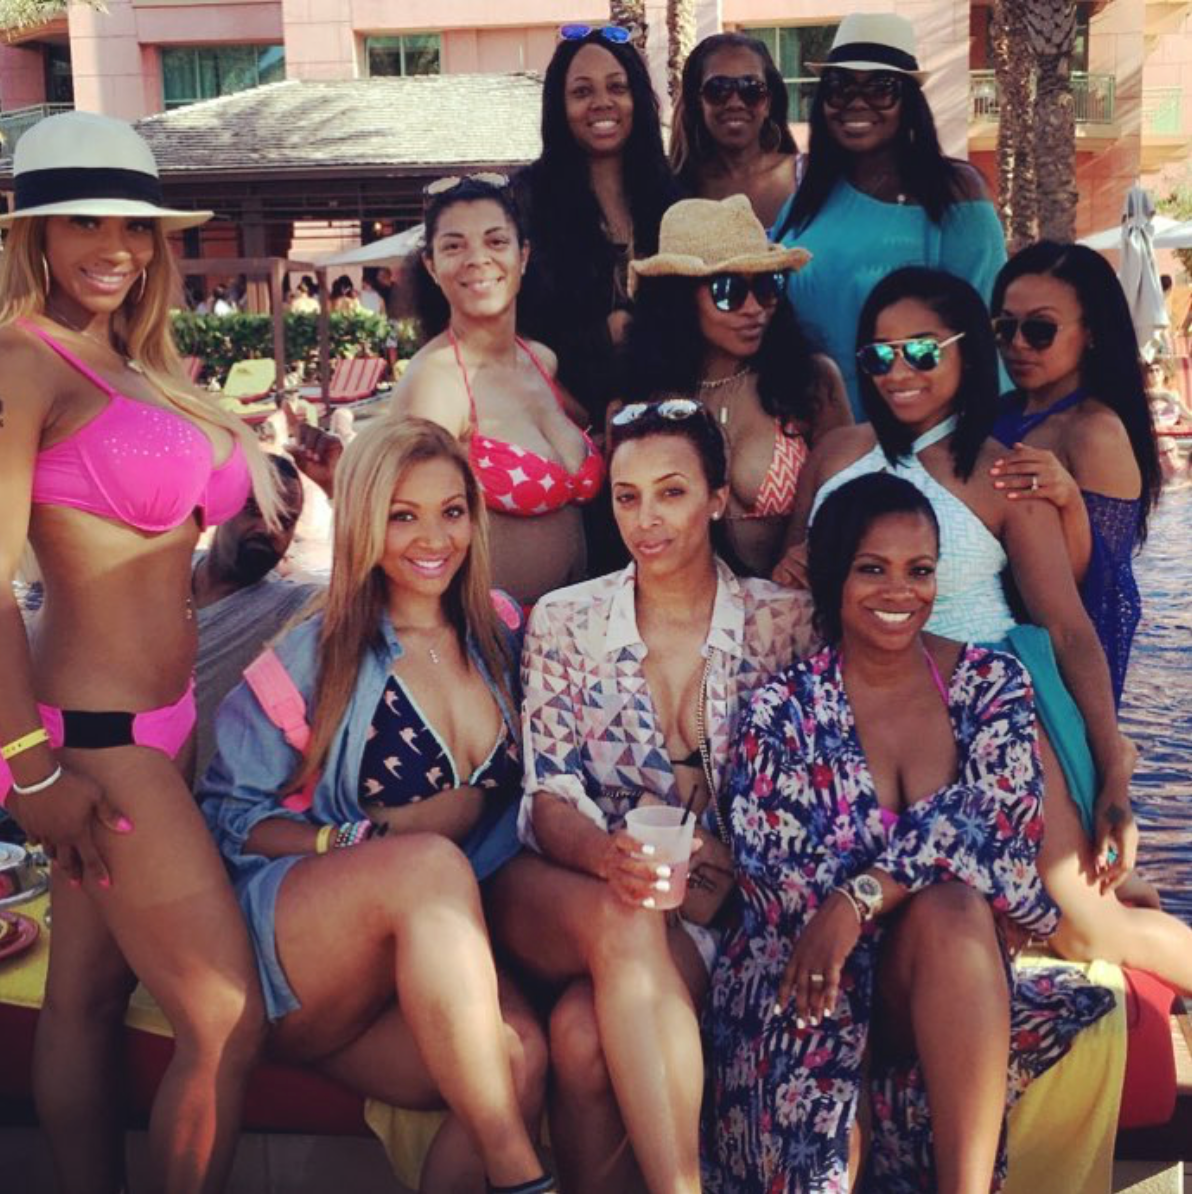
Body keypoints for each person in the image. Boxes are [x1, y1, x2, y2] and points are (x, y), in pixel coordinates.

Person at [0, 111, 285, 1193]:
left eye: (133, 225)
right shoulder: (19, 364)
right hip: (93, 742)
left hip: (166, 724)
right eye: (83, 222)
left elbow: (155, 557)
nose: (114, 246)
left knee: (82, 998)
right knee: (223, 1018)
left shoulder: (132, 363)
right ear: (33, 232)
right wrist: (28, 770)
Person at [778, 266, 1192, 995]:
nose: (898, 372)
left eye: (922, 351)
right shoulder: (836, 454)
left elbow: (1067, 628)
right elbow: (789, 575)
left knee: (1085, 927)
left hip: (987, 713)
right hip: (856, 711)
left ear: (966, 352)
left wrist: (1111, 770)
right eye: (879, 355)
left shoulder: (1004, 474)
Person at [706, 472, 1114, 1193]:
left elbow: (1001, 822)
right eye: (873, 569)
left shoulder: (990, 684)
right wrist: (899, 882)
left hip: (944, 974)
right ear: (834, 575)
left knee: (952, 912)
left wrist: (860, 894)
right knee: (948, 902)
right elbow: (783, 884)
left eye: (919, 570)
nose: (901, 591)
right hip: (810, 987)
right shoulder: (784, 710)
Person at [200, 418, 553, 1194]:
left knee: (518, 1059)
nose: (434, 538)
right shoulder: (313, 655)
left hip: (429, 958)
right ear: (363, 520)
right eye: (403, 515)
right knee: (424, 861)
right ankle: (525, 1180)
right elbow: (227, 819)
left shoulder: (502, 630)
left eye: (451, 511)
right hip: (306, 960)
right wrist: (364, 837)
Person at [486, 401, 816, 1194]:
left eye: (671, 493)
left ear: (717, 499)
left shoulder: (785, 623)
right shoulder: (565, 620)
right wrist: (611, 858)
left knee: (581, 1037)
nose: (646, 520)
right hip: (572, 888)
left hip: (710, 913)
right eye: (627, 497)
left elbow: (811, 799)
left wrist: (729, 869)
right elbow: (548, 793)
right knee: (625, 917)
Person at [773, 13, 1006, 417]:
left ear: (909, 102)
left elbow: (983, 331)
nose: (856, 102)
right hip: (809, 423)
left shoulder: (955, 193)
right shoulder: (806, 198)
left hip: (910, 427)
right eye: (839, 87)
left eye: (881, 88)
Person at [393, 173, 604, 606]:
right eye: (454, 246)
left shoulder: (540, 360)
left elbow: (582, 429)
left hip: (575, 629)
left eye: (496, 241)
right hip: (494, 633)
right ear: (431, 266)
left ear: (522, 256)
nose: (477, 259)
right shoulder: (437, 382)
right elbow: (400, 526)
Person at [622, 195, 851, 576]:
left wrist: (808, 551)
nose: (754, 308)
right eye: (728, 291)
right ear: (679, 299)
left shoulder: (809, 382)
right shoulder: (641, 401)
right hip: (678, 607)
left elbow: (850, 502)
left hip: (791, 605)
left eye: (768, 286)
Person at [988, 242, 1163, 707]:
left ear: (1091, 333)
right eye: (1005, 327)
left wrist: (1067, 500)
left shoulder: (1095, 433)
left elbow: (1101, 584)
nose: (1018, 344)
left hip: (1051, 673)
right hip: (982, 650)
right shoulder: (997, 415)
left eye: (1040, 329)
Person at [516, 24, 681, 424]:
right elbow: (514, 336)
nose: (602, 102)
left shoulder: (675, 200)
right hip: (560, 425)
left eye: (617, 87)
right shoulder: (524, 202)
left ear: (637, 98)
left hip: (669, 418)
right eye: (582, 92)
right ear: (559, 105)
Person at [191, 454, 321, 780]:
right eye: (253, 509)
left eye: (285, 520)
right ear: (220, 504)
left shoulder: (289, 606)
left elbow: (370, 592)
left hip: (197, 799)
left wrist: (335, 484)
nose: (267, 528)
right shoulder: (163, 570)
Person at [669, 32, 800, 230]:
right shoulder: (675, 190)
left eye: (751, 89)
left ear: (768, 103)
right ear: (699, 102)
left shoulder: (808, 178)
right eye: (718, 89)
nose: (735, 103)